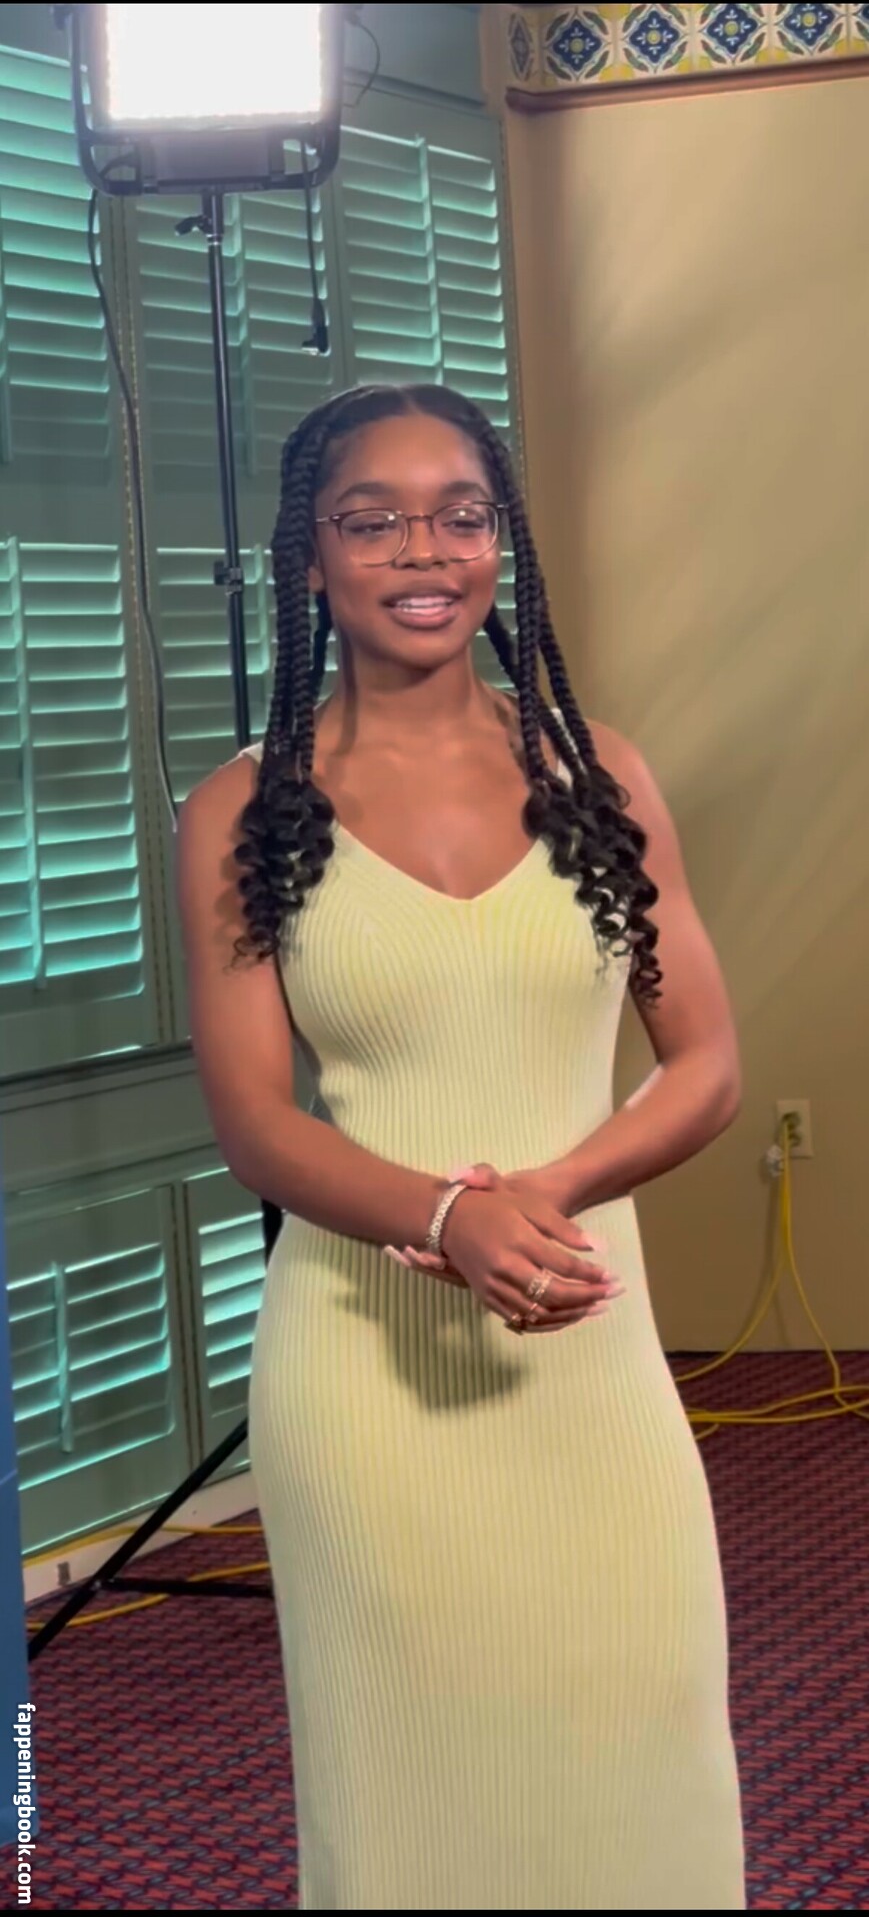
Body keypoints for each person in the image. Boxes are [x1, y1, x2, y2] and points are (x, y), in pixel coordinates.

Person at [177, 383, 746, 1911]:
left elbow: (705, 1063)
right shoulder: (240, 810)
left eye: (460, 515)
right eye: (371, 521)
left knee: (638, 1740)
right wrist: (442, 1217)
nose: (422, 550)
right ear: (308, 558)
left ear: (503, 543)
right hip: (365, 1379)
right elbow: (256, 1125)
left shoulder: (598, 773)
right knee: (407, 1782)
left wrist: (544, 1193)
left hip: (585, 1341)